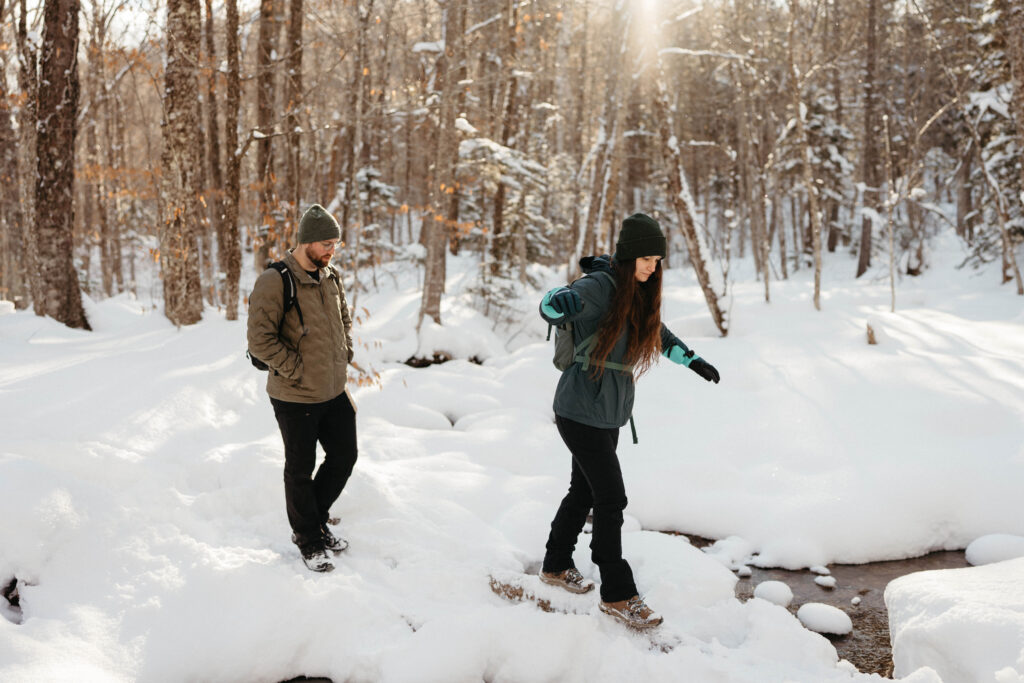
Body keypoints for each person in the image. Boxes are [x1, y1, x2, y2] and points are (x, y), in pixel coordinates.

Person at [537, 213, 721, 629]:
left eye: (657, 260)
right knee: (611, 498)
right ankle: (617, 593)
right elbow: (558, 302)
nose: (652, 267)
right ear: (627, 255)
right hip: (579, 410)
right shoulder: (600, 286)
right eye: (645, 258)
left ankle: (555, 563)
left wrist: (691, 359)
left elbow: (657, 334)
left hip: (607, 412)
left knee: (583, 491)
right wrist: (554, 302)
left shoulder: (636, 292)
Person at [247, 204, 358, 573]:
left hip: (333, 389)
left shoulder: (331, 275)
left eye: (335, 244)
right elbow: (260, 341)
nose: (332, 251)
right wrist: (296, 369)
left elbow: (342, 317)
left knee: (344, 457)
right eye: (327, 243)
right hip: (295, 395)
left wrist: (345, 353)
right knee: (300, 469)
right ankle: (308, 538)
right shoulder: (276, 280)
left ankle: (317, 518)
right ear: (306, 241)